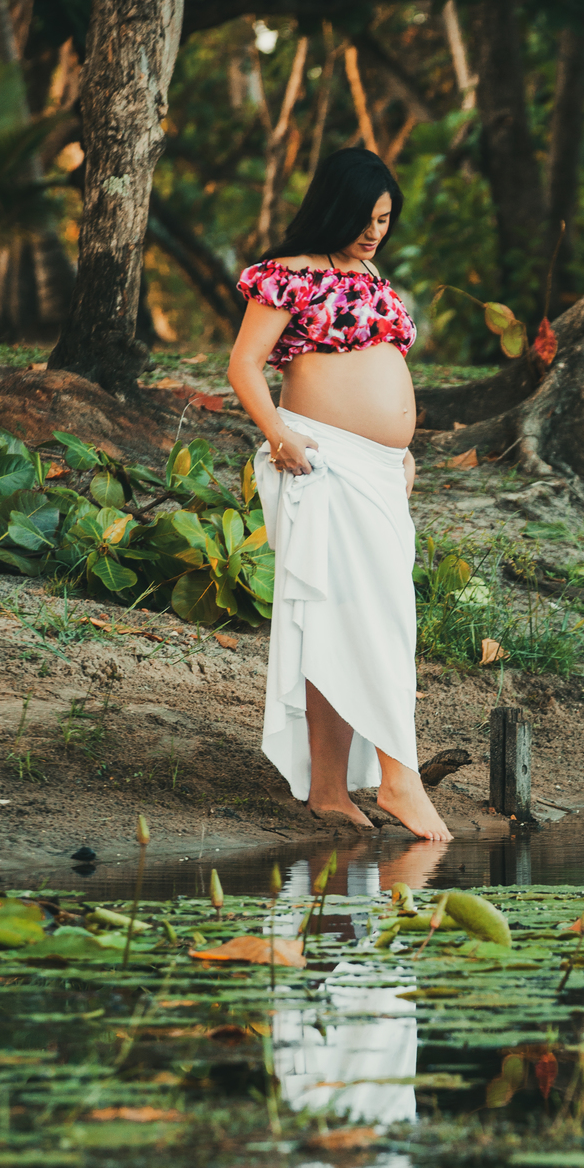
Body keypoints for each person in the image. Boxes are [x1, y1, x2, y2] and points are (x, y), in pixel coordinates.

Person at [228, 146, 452, 842]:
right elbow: (242, 366)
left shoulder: (373, 275)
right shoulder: (284, 277)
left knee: (351, 618)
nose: (375, 231)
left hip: (379, 472)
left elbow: (377, 368)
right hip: (317, 460)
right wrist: (277, 434)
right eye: (365, 217)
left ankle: (329, 787)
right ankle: (398, 777)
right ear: (335, 207)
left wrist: (401, 448)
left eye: (385, 220)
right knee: (370, 618)